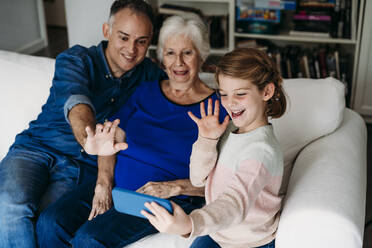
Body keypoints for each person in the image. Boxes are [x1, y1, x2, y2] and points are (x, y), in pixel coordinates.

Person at [36, 15, 228, 248]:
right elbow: (111, 138)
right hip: (118, 186)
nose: (178, 62)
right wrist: (103, 183)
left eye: (187, 53)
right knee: (50, 222)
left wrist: (174, 187)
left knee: (90, 239)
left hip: (162, 199)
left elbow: (226, 180)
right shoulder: (144, 90)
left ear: (202, 55)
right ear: (161, 58)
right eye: (170, 53)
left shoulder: (217, 107)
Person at [0, 0, 167, 247]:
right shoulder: (76, 59)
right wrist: (89, 137)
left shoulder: (150, 76)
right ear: (106, 31)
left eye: (141, 41)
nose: (131, 49)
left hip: (80, 168)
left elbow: (181, 87)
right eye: (123, 37)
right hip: (36, 149)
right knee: (9, 203)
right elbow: (77, 102)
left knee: (46, 220)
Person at [142, 48, 287, 248]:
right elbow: (198, 178)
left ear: (267, 92)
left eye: (241, 94)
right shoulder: (229, 130)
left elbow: (234, 203)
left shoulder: (261, 151)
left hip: (251, 243)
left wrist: (190, 223)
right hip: (219, 232)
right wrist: (206, 139)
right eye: (224, 94)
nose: (230, 102)